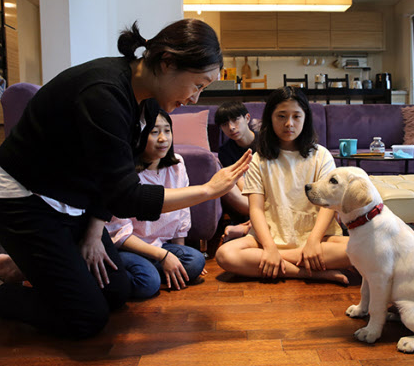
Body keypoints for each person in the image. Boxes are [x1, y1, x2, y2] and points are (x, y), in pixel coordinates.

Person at [0, 19, 251, 339]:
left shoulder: (146, 101)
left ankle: (12, 266)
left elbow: (111, 176)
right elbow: (126, 196)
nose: (195, 99)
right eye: (198, 85)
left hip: (72, 200)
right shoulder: (104, 93)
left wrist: (93, 231)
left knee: (115, 290)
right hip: (23, 198)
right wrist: (206, 190)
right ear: (168, 63)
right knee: (85, 317)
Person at [215, 86, 352, 283]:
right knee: (225, 255)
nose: (289, 123)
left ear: (306, 119)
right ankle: (308, 272)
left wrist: (312, 242)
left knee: (366, 248)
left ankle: (281, 263)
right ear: (270, 118)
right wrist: (269, 248)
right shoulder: (259, 159)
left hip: (317, 239)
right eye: (281, 116)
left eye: (296, 116)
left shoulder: (321, 155)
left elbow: (328, 206)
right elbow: (256, 210)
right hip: (267, 240)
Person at [106, 99, 206, 298]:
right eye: (154, 132)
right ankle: (143, 272)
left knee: (195, 262)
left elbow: (182, 212)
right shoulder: (125, 172)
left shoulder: (177, 164)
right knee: (147, 283)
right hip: (128, 247)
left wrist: (180, 257)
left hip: (160, 245)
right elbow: (119, 233)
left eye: (167, 131)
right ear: (138, 135)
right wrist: (165, 256)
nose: (163, 138)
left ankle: (156, 270)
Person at [214, 101, 257, 241]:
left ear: (247, 118)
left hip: (270, 191)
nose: (231, 128)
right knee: (225, 186)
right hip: (248, 197)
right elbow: (239, 180)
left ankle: (246, 228)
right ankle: (257, 221)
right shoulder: (225, 151)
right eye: (225, 124)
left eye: (235, 120)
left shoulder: (266, 141)